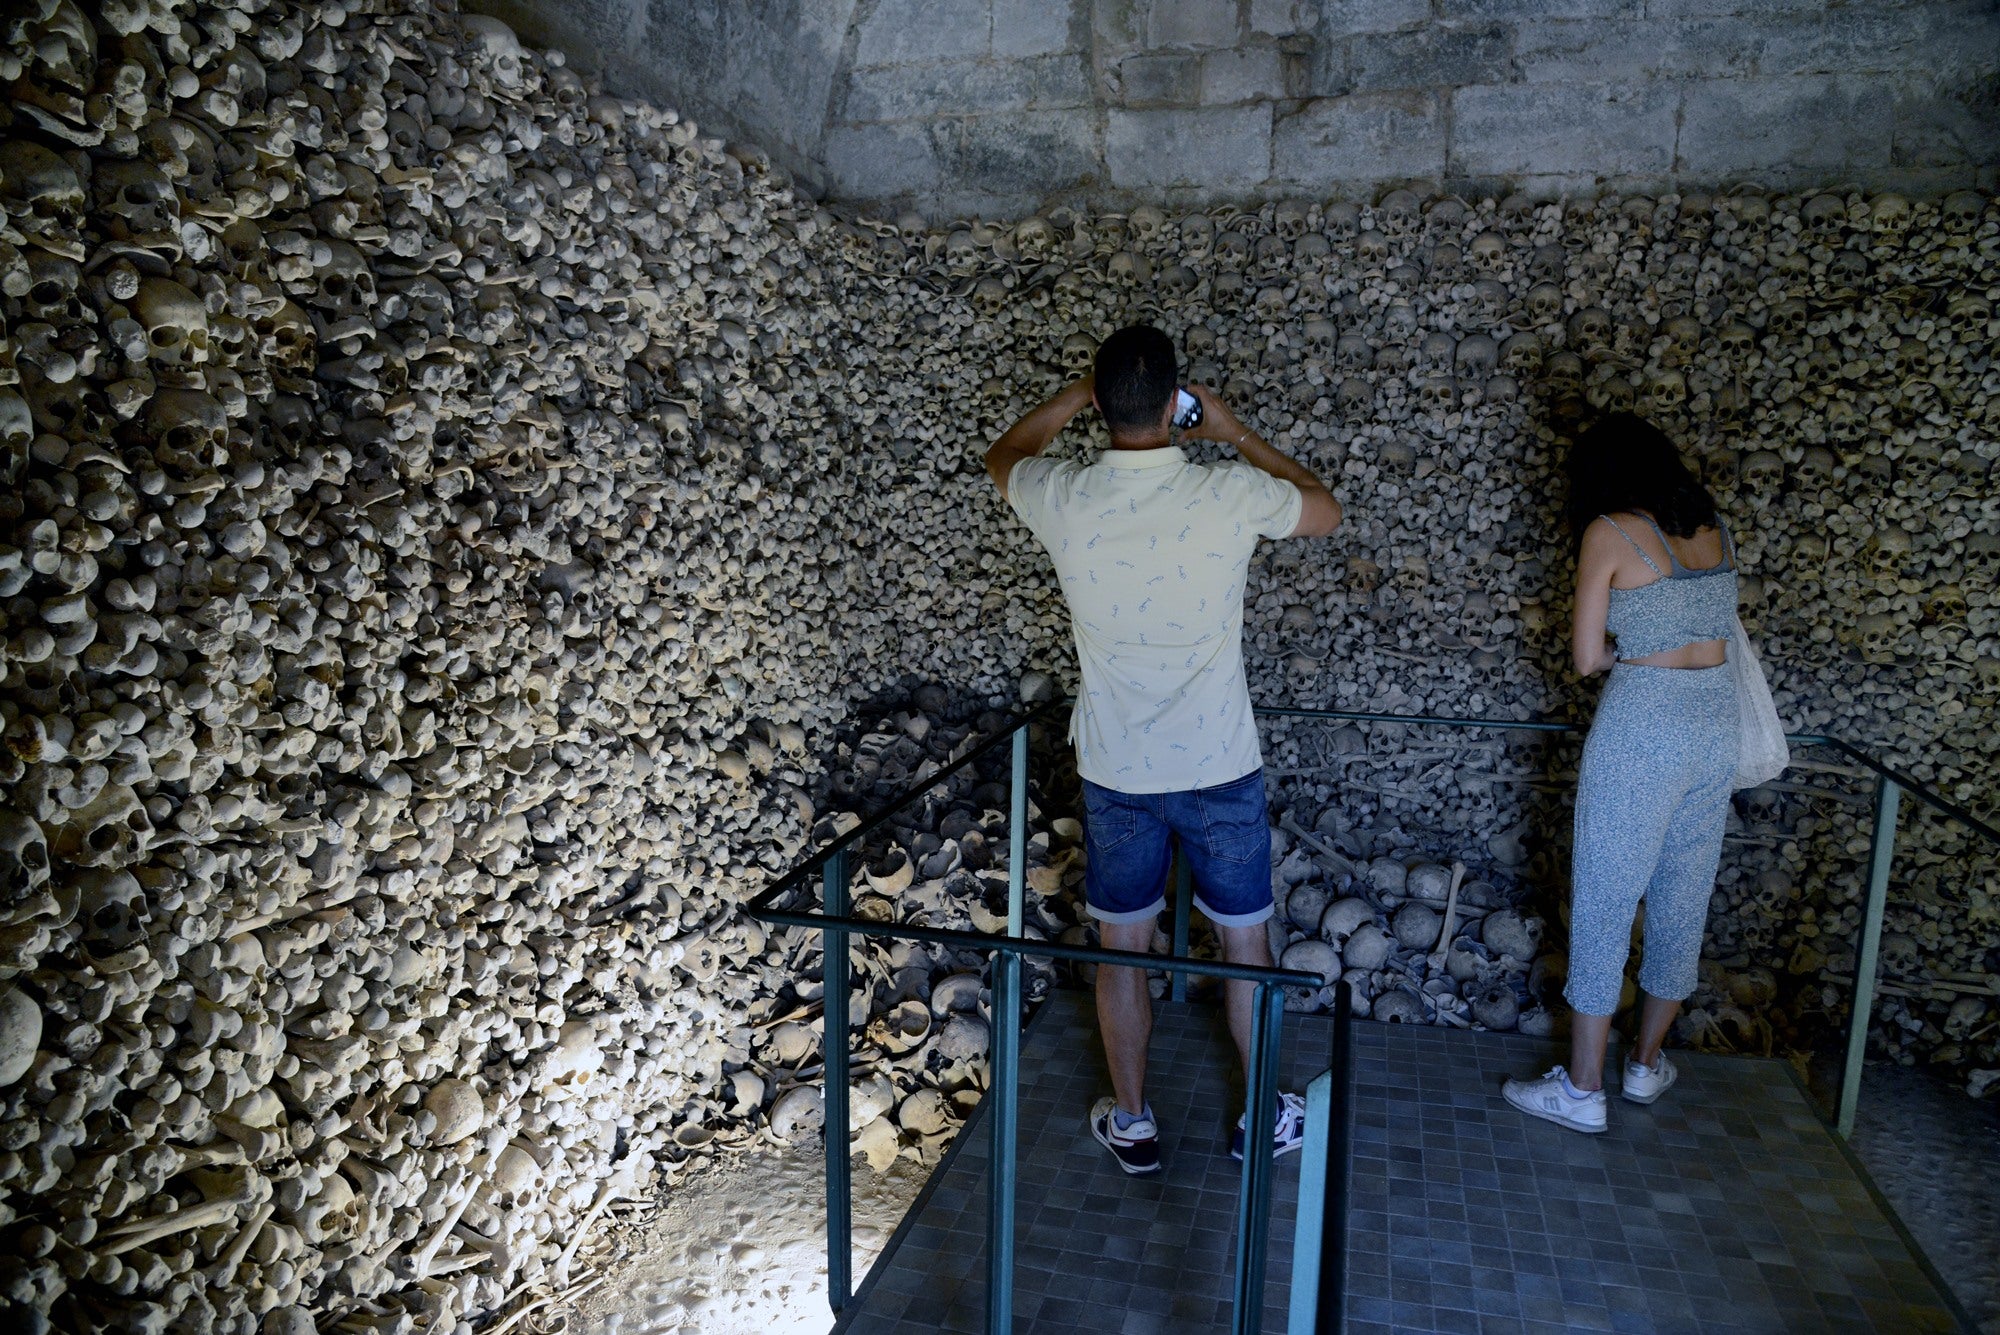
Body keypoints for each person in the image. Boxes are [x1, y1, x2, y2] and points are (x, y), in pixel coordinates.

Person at [984, 325, 1341, 1174]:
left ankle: (1136, 1121)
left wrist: (1076, 395)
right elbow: (1325, 510)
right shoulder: (1229, 493)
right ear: (1181, 402)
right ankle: (1262, 1116)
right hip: (1220, 762)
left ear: (1104, 403)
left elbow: (1003, 455)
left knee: (1122, 947)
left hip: (1118, 770)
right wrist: (1234, 431)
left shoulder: (1063, 494)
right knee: (1247, 946)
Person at [1504, 413, 1741, 1133]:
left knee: (1607, 898)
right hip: (1716, 724)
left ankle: (1581, 1090)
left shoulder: (1610, 531)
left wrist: (1627, 652)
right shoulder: (1715, 529)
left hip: (1645, 725)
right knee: (1683, 894)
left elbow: (1584, 658)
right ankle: (1643, 1064)